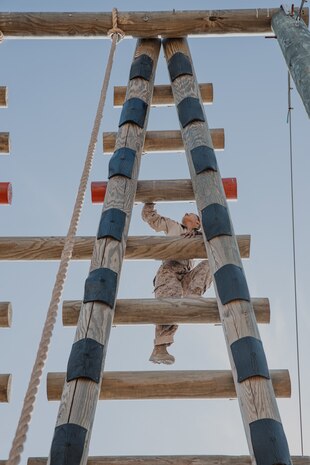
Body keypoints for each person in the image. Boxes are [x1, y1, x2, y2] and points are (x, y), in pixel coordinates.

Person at [142, 202, 212, 365]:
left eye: (192, 214)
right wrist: (149, 203)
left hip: (186, 275)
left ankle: (194, 296)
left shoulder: (202, 235)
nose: (187, 211)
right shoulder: (172, 225)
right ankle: (160, 348)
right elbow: (151, 218)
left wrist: (196, 234)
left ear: (198, 223)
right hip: (170, 270)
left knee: (211, 263)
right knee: (169, 305)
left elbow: (214, 233)